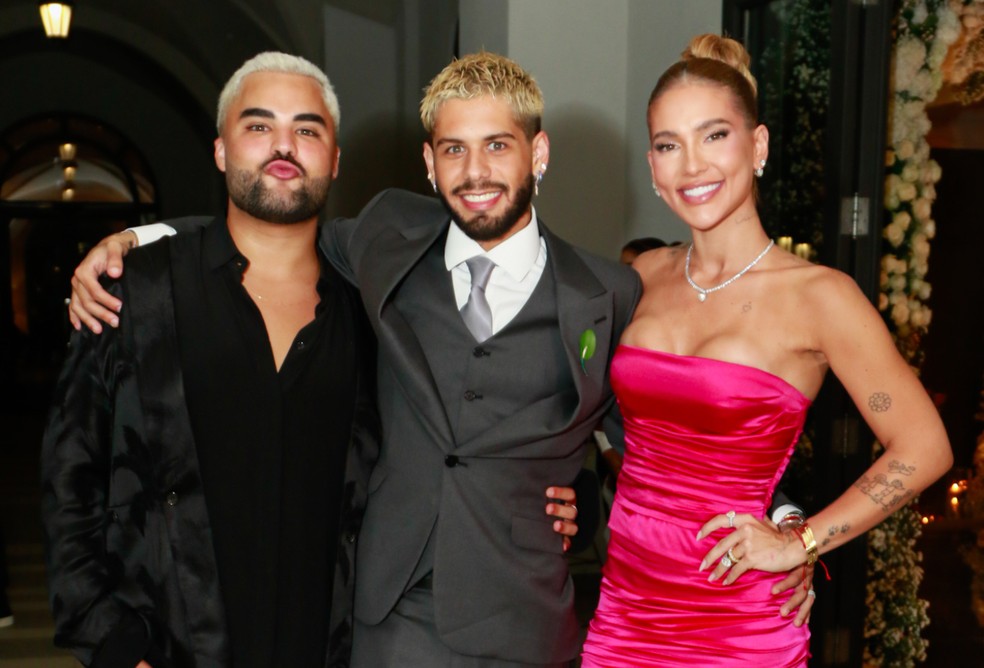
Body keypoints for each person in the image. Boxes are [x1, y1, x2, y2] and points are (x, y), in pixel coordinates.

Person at [65, 52, 631, 667]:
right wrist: (134, 239)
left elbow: (649, 443)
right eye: (453, 149)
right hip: (384, 620)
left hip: (525, 621)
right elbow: (267, 217)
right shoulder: (386, 241)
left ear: (538, 152)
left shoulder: (607, 294)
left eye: (497, 145)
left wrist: (582, 497)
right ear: (429, 163)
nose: (475, 172)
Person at [580, 34, 952, 666]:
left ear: (758, 147)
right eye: (669, 145)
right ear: (652, 166)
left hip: (737, 625)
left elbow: (924, 447)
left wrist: (801, 542)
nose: (691, 165)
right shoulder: (640, 276)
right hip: (624, 613)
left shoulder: (820, 297)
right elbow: (579, 407)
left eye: (714, 136)